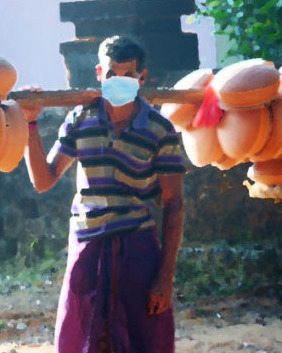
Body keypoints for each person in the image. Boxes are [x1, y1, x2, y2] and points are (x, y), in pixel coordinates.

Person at [21, 35, 186, 353]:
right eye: (112, 73)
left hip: (137, 248)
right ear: (99, 73)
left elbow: (173, 203)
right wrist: (29, 124)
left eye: (127, 74)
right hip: (88, 245)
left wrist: (165, 277)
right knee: (83, 338)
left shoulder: (159, 129)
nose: (118, 80)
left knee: (143, 339)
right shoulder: (81, 119)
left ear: (142, 78)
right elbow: (44, 180)